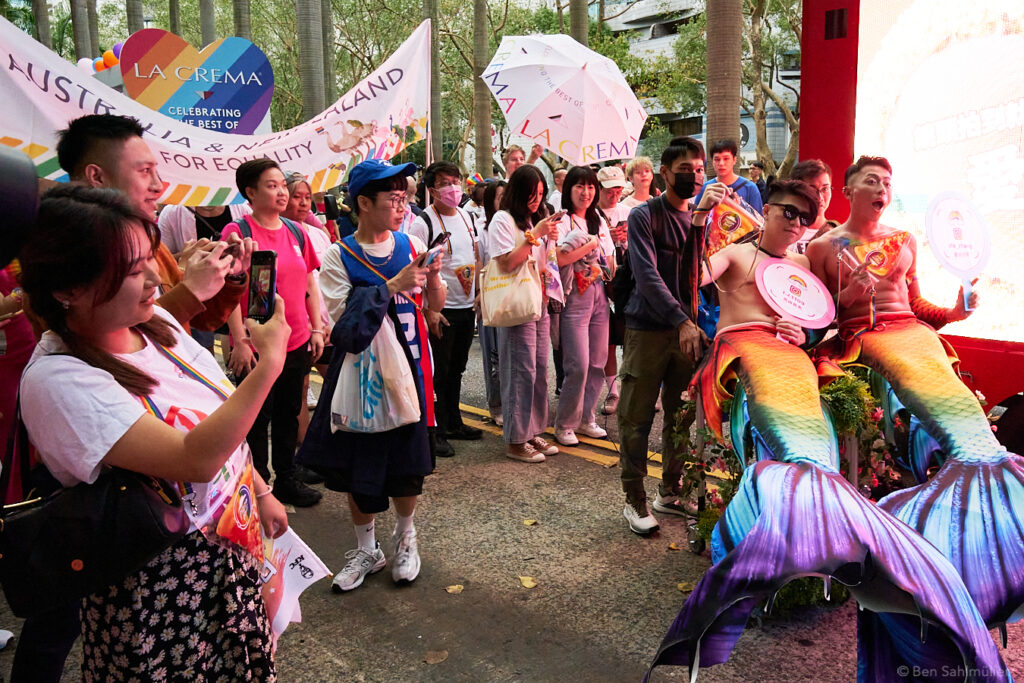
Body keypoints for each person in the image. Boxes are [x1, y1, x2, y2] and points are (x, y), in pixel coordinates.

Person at [649, 179, 1013, 683]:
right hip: (747, 353)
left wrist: (808, 333)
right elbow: (685, 285)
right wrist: (694, 226)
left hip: (802, 356)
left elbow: (820, 322)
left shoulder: (802, 264)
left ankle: (874, 549)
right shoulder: (735, 255)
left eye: (803, 215)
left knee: (824, 457)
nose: (794, 222)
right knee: (805, 457)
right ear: (767, 209)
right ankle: (769, 545)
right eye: (786, 212)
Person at [17, 185, 289, 680]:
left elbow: (217, 418)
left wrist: (262, 490)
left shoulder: (156, 324)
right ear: (66, 289)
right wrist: (268, 365)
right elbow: (193, 456)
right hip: (156, 591)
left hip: (231, 552)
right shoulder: (58, 379)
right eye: (129, 269)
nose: (153, 280)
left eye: (149, 259)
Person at [806, 156, 1024, 627]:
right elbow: (816, 318)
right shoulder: (823, 248)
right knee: (922, 390)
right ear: (848, 189)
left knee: (960, 405)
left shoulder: (903, 241)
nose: (881, 188)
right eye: (871, 180)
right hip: (866, 338)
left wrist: (958, 310)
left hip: (914, 333)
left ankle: (984, 477)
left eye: (887, 182)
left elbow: (918, 305)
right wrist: (847, 299)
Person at [298, 159, 445, 591]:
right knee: (357, 467)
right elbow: (344, 329)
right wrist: (392, 286)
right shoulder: (337, 255)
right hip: (357, 378)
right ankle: (367, 548)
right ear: (363, 202)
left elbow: (430, 304)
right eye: (394, 199)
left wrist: (432, 278)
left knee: (406, 465)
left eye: (405, 198)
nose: (403, 207)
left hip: (409, 373)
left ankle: (405, 538)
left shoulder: (409, 242)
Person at [55, 114, 246, 333]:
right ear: (97, 177)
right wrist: (190, 291)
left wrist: (230, 275)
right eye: (145, 171)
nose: (158, 186)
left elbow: (200, 321)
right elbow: (121, 340)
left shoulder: (149, 241)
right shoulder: (65, 254)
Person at [617, 136, 721, 535]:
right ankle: (635, 499)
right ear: (664, 173)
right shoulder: (643, 216)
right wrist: (681, 320)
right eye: (685, 170)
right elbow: (647, 277)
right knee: (635, 419)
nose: (694, 177)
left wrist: (699, 223)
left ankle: (671, 491)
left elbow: (696, 275)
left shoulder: (700, 216)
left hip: (687, 333)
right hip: (649, 330)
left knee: (679, 418)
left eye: (699, 170)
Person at [222, 159, 324, 507]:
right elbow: (230, 291)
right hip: (259, 345)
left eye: (283, 185)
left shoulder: (297, 232)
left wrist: (316, 327)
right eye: (271, 185)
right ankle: (255, 484)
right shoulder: (238, 233)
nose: (282, 192)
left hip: (294, 341)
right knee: (254, 418)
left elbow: (310, 280)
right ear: (249, 192)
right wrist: (241, 341)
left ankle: (286, 479)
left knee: (287, 412)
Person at [489, 165, 563, 462]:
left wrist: (549, 238)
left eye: (541, 194)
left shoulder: (533, 221)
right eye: (532, 195)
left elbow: (542, 264)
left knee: (537, 371)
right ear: (518, 193)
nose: (536, 200)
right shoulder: (502, 220)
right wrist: (536, 235)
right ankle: (515, 440)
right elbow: (507, 263)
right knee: (519, 371)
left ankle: (532, 431)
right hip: (516, 304)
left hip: (538, 302)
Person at [407, 162, 482, 451]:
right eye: (445, 182)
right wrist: (430, 310)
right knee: (437, 370)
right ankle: (434, 431)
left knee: (457, 369)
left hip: (465, 305)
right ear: (432, 188)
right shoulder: (422, 223)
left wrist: (477, 293)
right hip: (441, 308)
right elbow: (419, 269)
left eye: (456, 181)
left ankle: (454, 421)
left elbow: (473, 254)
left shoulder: (465, 215)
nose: (453, 188)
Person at [552, 166, 615, 446]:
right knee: (577, 363)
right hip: (574, 298)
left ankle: (587, 418)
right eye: (579, 186)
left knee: (598, 361)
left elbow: (609, 259)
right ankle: (565, 423)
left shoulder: (599, 219)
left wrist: (610, 252)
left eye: (590, 187)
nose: (586, 192)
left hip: (599, 295)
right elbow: (558, 259)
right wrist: (588, 247)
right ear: (569, 190)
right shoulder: (562, 220)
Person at [282, 171, 333, 455]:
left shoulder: (316, 233)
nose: (303, 203)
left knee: (336, 379)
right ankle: (304, 451)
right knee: (298, 389)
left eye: (306, 198)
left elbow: (326, 279)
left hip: (325, 322)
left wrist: (326, 322)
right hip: (296, 326)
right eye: (295, 197)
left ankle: (325, 444)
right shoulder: (279, 232)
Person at [596, 166, 632, 415]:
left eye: (619, 189)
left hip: (626, 279)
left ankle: (634, 388)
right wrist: (605, 237)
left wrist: (627, 237)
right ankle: (612, 390)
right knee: (607, 339)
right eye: (610, 189)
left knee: (630, 336)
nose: (615, 194)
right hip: (600, 280)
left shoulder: (629, 212)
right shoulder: (590, 215)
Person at [478, 180, 507, 426]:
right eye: (500, 196)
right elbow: (480, 263)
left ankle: (513, 403)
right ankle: (496, 405)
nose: (505, 200)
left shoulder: (517, 227)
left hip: (514, 300)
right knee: (494, 357)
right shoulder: (482, 230)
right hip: (491, 297)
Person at [693, 139, 763, 213]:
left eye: (726, 159)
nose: (721, 163)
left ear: (734, 160)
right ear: (712, 161)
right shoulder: (706, 188)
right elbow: (695, 217)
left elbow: (758, 220)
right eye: (717, 159)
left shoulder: (750, 188)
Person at [789, 158, 838, 251]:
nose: (820, 198)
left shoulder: (838, 236)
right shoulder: (783, 231)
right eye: (812, 190)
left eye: (825, 189)